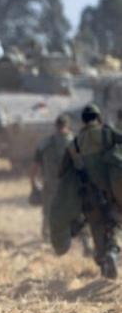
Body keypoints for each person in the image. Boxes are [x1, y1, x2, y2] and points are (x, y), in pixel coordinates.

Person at [65, 104, 121, 278]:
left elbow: (64, 173)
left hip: (90, 195)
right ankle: (113, 251)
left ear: (83, 120)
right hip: (111, 192)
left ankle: (103, 261)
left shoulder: (75, 143)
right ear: (98, 117)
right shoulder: (107, 133)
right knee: (114, 225)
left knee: (96, 227)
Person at [30, 115, 76, 240]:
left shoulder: (45, 144)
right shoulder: (75, 143)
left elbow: (34, 167)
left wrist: (34, 184)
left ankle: (47, 235)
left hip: (50, 185)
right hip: (69, 185)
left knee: (48, 211)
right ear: (68, 126)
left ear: (55, 126)